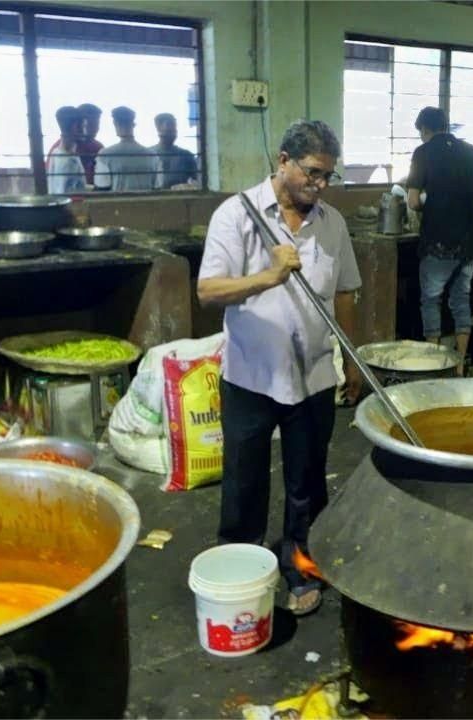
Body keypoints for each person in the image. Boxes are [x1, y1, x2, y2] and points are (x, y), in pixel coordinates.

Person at [196, 119, 362, 617]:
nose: (321, 185)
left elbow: (346, 291)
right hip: (251, 375)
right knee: (244, 482)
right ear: (283, 161)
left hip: (312, 375)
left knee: (308, 483)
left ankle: (301, 568)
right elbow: (208, 292)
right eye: (312, 173)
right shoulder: (236, 215)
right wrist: (270, 275)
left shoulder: (331, 222)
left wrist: (350, 357)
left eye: (328, 176)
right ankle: (241, 573)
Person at [405, 106, 473, 364]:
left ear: (425, 129)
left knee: (431, 301)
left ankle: (433, 363)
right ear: (445, 126)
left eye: (421, 133)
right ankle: (459, 366)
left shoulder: (422, 153)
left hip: (436, 242)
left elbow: (413, 202)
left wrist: (431, 205)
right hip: (467, 243)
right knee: (461, 301)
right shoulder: (471, 151)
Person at [93, 106, 158, 191]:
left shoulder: (105, 155)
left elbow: (102, 186)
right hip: (148, 203)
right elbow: (157, 186)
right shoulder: (152, 155)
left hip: (118, 203)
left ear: (115, 124)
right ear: (133, 124)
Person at [46, 103, 104, 185]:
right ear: (77, 125)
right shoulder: (59, 152)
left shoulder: (98, 148)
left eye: (97, 124)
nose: (96, 129)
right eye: (91, 125)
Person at [151, 112, 199, 189]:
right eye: (169, 125)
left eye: (175, 126)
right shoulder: (149, 155)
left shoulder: (186, 156)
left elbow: (196, 183)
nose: (174, 130)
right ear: (158, 128)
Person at [46, 106, 86, 195]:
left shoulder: (55, 152)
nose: (84, 131)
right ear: (75, 127)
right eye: (83, 126)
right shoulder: (68, 162)